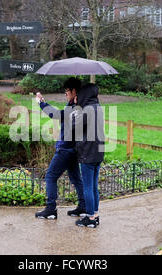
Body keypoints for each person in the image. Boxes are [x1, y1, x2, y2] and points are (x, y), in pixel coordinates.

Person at [34, 77, 86, 220]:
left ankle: (50, 209)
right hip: (74, 149)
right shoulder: (78, 106)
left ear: (74, 91)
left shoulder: (73, 107)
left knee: (50, 176)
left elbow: (56, 115)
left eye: (67, 91)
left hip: (65, 149)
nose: (65, 94)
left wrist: (41, 103)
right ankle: (83, 206)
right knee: (76, 178)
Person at [72, 83, 104, 228]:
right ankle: (95, 214)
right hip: (98, 153)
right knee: (94, 186)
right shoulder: (98, 108)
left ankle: (90, 218)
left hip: (88, 153)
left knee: (87, 187)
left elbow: (73, 126)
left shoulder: (86, 110)